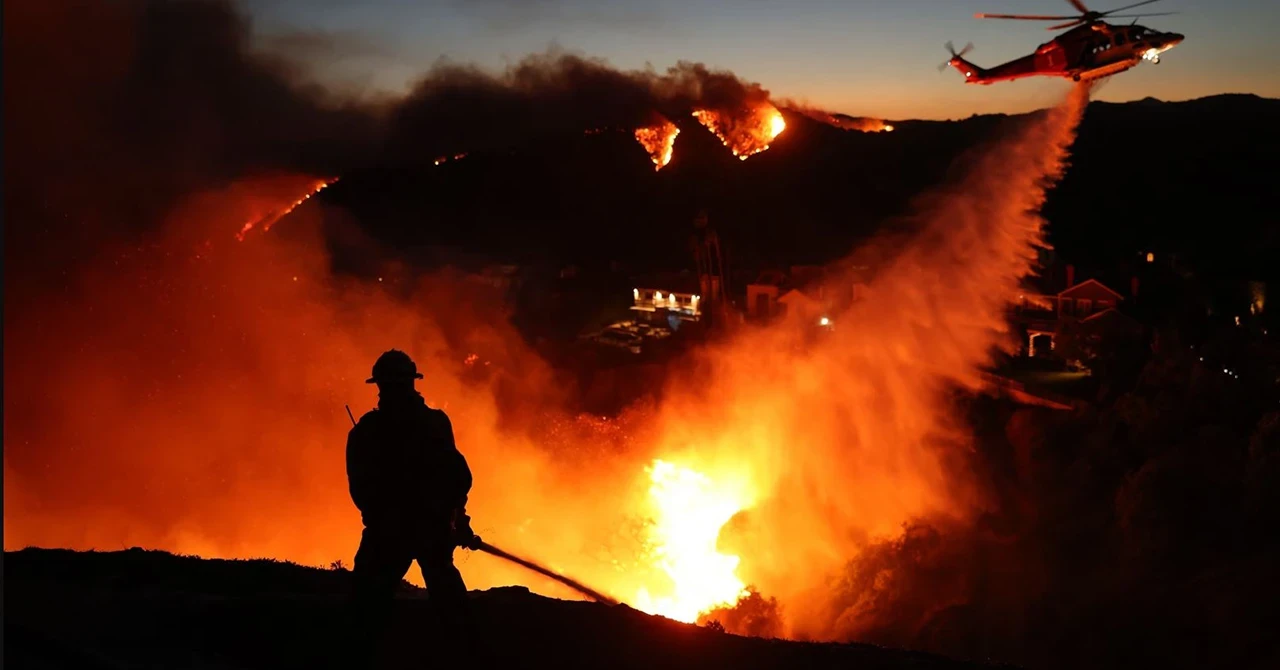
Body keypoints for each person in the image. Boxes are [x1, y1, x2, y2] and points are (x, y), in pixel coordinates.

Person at [344, 349, 479, 663]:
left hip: (390, 534)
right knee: (449, 602)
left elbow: (362, 490)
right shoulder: (432, 423)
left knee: (366, 608)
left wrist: (456, 518)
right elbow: (457, 478)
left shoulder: (367, 431)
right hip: (423, 529)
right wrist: (454, 518)